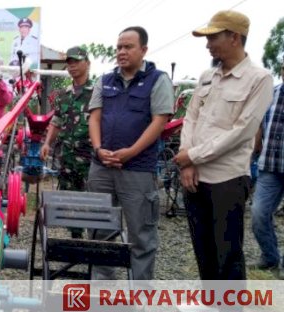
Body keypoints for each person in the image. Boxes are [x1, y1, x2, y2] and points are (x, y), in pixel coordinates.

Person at [174, 10, 273, 280]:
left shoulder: (259, 78)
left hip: (227, 178)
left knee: (227, 253)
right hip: (194, 176)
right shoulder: (208, 75)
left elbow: (243, 131)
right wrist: (188, 161)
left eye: (213, 37)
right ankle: (209, 305)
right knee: (203, 250)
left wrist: (192, 156)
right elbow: (191, 117)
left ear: (235, 38)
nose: (208, 44)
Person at [88, 26, 174, 280]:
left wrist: (131, 152)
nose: (122, 52)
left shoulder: (158, 80)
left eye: (128, 47)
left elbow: (159, 122)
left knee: (141, 235)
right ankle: (102, 288)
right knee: (99, 230)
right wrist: (97, 148)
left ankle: (140, 296)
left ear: (144, 50)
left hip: (137, 169)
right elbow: (94, 118)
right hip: (102, 167)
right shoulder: (105, 80)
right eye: (119, 47)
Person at [40, 46, 93, 191]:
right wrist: (47, 144)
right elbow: (56, 122)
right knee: (65, 197)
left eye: (76, 61)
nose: (72, 66)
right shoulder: (63, 95)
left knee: (89, 200)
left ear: (88, 63)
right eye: (69, 63)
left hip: (89, 159)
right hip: (66, 158)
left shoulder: (96, 93)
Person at [251, 64, 284, 280]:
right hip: (270, 166)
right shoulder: (272, 92)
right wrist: (256, 143)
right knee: (258, 214)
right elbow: (258, 122)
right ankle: (270, 256)